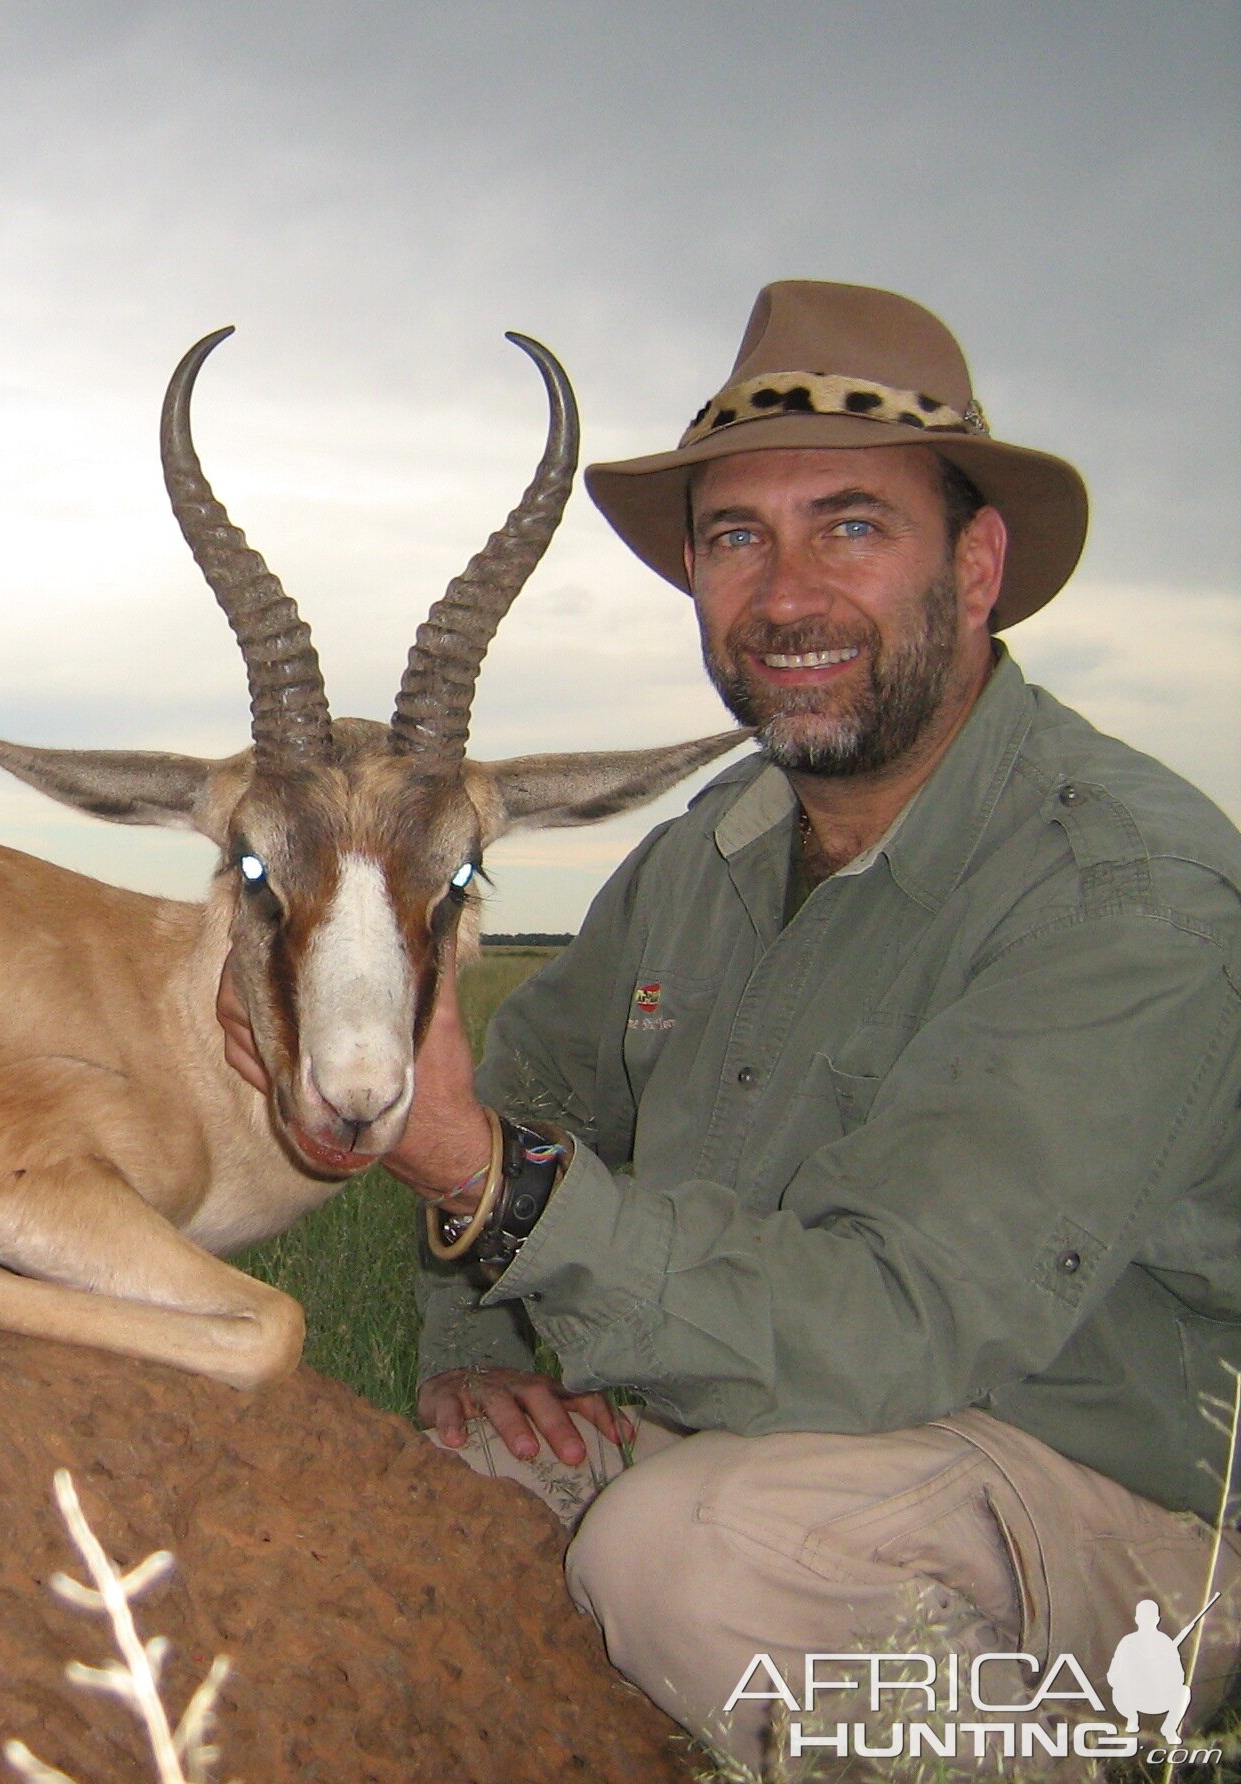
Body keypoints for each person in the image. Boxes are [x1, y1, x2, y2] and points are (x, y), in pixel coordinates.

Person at [219, 282, 1241, 1767]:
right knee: (428, 1483)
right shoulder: (709, 851)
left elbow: (901, 1330)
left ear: (978, 562)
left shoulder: (1124, 891)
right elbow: (525, 1079)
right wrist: (471, 1335)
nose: (786, 594)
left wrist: (484, 1179)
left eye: (852, 526)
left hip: (1103, 1495)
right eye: (736, 539)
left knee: (682, 1564)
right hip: (775, 1420)